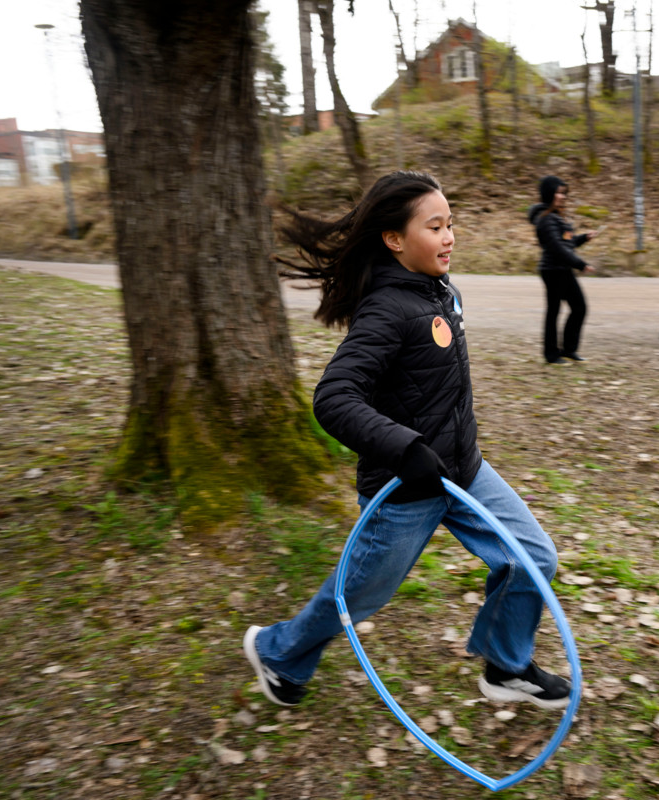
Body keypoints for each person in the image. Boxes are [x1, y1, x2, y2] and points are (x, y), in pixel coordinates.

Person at [243, 171, 571, 711]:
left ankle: (506, 666)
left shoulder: (442, 292)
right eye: (435, 226)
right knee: (362, 594)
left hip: (463, 470)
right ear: (394, 239)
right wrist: (403, 447)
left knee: (532, 557)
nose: (449, 237)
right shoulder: (386, 310)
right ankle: (278, 652)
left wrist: (447, 450)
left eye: (451, 224)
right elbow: (334, 398)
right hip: (405, 487)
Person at [527, 175, 597, 364]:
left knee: (573, 308)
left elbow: (567, 242)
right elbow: (557, 248)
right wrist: (581, 264)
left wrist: (583, 238)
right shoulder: (546, 219)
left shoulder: (556, 217)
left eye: (564, 193)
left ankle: (567, 350)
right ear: (549, 194)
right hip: (554, 270)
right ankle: (553, 354)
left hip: (559, 268)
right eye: (559, 193)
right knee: (567, 309)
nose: (563, 197)